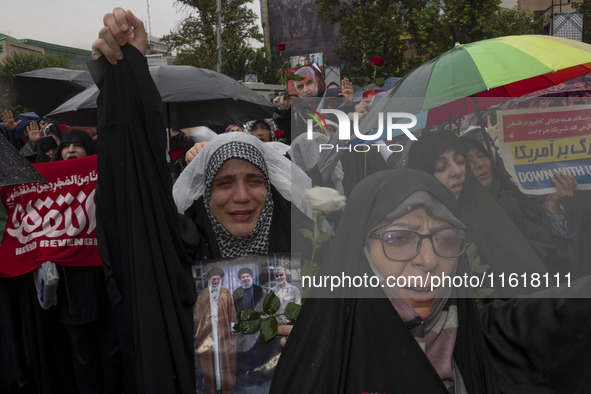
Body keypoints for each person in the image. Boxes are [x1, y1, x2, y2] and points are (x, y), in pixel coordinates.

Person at [271, 168, 591, 393]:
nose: (429, 260)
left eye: (447, 239)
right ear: (360, 252)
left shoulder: (476, 339)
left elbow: (568, 308)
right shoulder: (325, 364)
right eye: (399, 239)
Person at [194, 267, 237, 394]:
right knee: (210, 359)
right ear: (209, 280)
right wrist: (199, 332)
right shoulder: (202, 295)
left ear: (221, 279)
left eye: (218, 279)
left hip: (223, 332)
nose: (216, 281)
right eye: (213, 279)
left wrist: (232, 328)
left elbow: (232, 311)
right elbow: (198, 315)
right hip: (208, 333)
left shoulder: (226, 292)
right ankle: (213, 388)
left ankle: (226, 387)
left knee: (224, 357)